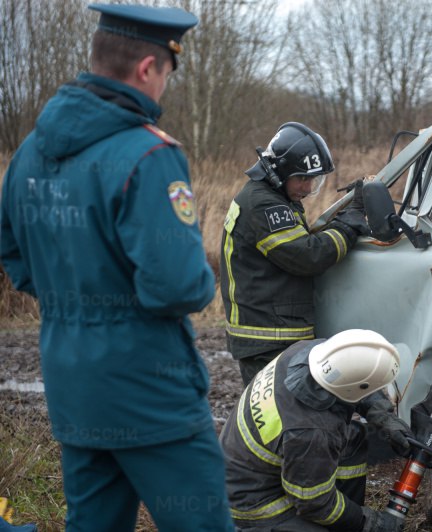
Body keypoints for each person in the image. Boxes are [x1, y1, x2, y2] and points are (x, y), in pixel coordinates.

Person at [0, 4, 233, 530]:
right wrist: (204, 278)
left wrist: (76, 296)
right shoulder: (149, 155)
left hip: (73, 384)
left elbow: (14, 257)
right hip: (150, 390)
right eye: (168, 75)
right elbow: (175, 284)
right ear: (148, 68)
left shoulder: (29, 153)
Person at [220, 123, 370, 386]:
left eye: (313, 179)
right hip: (268, 336)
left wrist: (345, 212)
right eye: (302, 178)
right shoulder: (264, 204)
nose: (307, 186)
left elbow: (301, 241)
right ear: (280, 171)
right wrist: (346, 228)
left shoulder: (270, 196)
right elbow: (306, 256)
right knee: (281, 417)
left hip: (269, 330)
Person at [219, 329, 412, 532]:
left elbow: (351, 379)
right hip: (251, 503)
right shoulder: (310, 432)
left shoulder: (308, 352)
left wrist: (382, 414)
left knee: (352, 439)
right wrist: (365, 521)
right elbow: (313, 502)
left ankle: (344, 520)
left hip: (243, 467)